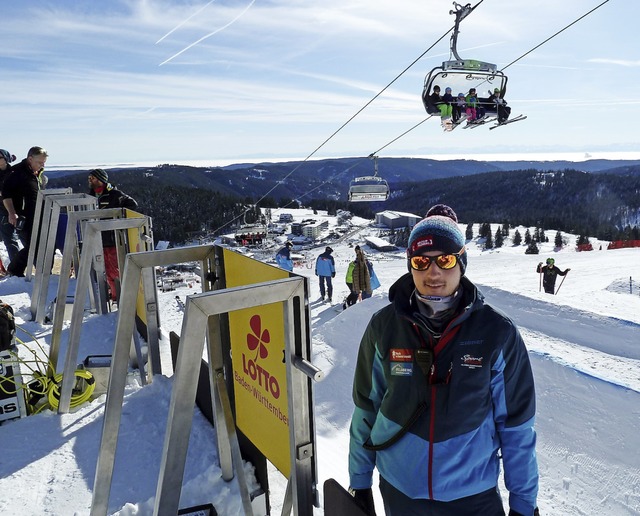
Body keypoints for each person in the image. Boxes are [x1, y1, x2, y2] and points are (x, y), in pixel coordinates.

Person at [348, 204, 539, 516]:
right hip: (400, 491)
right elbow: (366, 408)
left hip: (472, 497)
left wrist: (523, 503)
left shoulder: (496, 332)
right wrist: (359, 481)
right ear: (410, 265)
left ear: (461, 263)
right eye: (421, 261)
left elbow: (517, 426)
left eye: (445, 260)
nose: (433, 272)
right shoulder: (384, 326)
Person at [88, 168, 138, 301]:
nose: (89, 181)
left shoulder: (114, 194)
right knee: (104, 269)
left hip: (111, 239)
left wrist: (117, 221)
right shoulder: (91, 195)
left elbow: (132, 205)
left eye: (92, 178)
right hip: (98, 238)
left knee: (114, 270)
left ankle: (121, 296)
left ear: (100, 180)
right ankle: (115, 294)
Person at [2, 146, 48, 277]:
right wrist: (11, 212)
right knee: (33, 245)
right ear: (30, 159)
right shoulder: (17, 172)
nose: (42, 165)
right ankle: (15, 269)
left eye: (44, 162)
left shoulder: (37, 173)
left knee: (39, 243)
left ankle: (43, 272)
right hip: (23, 215)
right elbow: (6, 194)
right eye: (39, 162)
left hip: (38, 214)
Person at [0, 149, 20, 268]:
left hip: (14, 208)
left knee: (14, 238)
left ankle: (16, 266)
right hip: (2, 208)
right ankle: (14, 266)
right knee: (9, 239)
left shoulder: (14, 172)